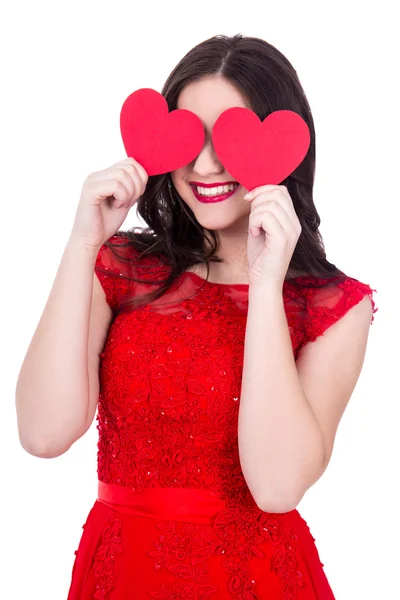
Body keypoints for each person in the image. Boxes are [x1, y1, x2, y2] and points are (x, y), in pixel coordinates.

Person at [15, 34, 378, 599]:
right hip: (122, 572)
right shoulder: (120, 266)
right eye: (190, 136)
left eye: (231, 137)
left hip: (258, 579)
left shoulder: (334, 305)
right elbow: (43, 432)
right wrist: (81, 243)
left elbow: (277, 487)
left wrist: (264, 281)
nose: (205, 163)